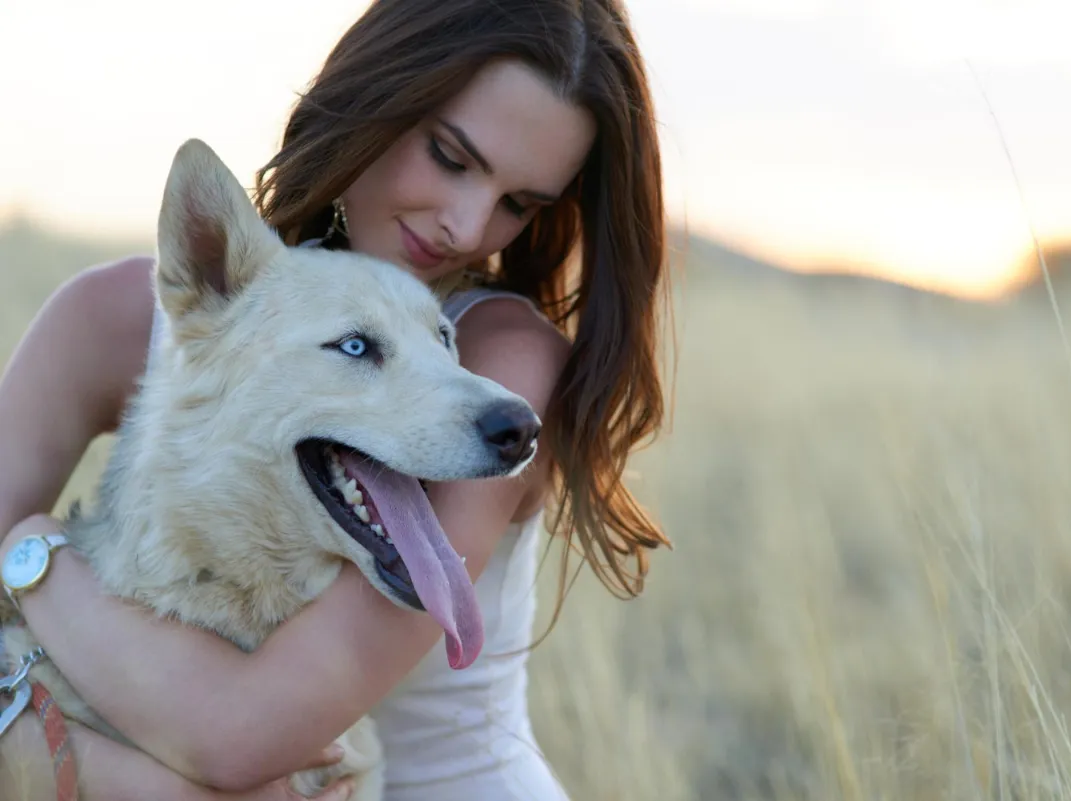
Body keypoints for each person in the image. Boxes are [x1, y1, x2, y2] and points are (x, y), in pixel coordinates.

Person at [0, 0, 673, 798]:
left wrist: (32, 560)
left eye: (517, 204)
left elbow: (239, 735)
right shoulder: (117, 317)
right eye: (451, 157)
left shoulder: (503, 365)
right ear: (377, 94)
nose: (464, 226)